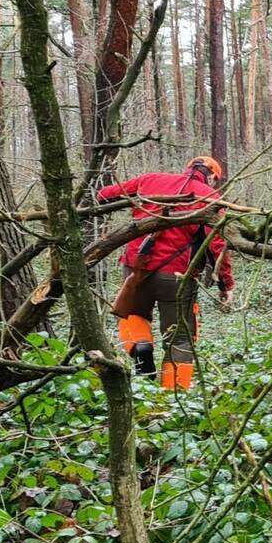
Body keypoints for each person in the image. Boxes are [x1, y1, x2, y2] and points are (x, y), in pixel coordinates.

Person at [100, 156, 233, 390]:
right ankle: (172, 395)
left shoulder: (150, 180)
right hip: (177, 275)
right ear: (211, 176)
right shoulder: (210, 197)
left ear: (188, 168)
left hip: (136, 268)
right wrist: (226, 285)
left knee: (132, 314)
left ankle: (140, 347)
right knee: (180, 338)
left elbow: (105, 195)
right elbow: (218, 245)